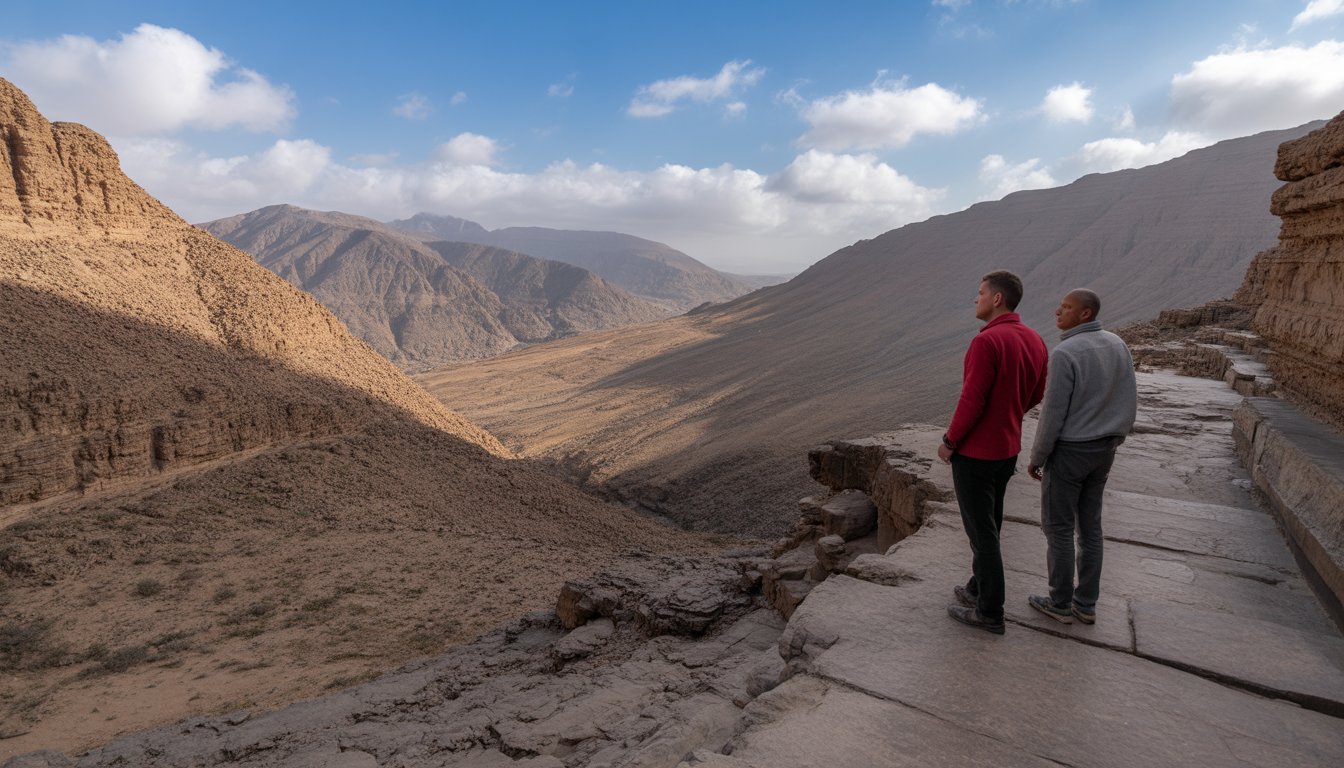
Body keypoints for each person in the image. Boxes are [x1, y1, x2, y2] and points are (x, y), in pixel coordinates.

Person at [939, 270, 1048, 635]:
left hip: (976, 454)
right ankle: (977, 587)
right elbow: (1037, 392)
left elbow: (972, 400)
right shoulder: (1034, 339)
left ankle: (990, 612)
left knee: (981, 532)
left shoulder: (986, 341)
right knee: (991, 523)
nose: (977, 298)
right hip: (1007, 450)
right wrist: (1009, 414)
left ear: (997, 298)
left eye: (981, 292)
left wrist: (950, 441)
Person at [1026, 288, 1137, 626]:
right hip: (1104, 449)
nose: (1058, 311)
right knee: (1090, 528)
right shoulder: (1117, 344)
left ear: (1085, 314)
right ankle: (1086, 603)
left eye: (1067, 307)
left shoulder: (1066, 352)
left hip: (1071, 450)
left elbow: (1053, 413)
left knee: (1058, 527)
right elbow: (1129, 395)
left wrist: (1038, 456)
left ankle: (1059, 602)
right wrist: (1117, 436)